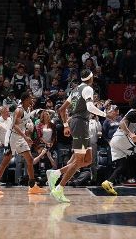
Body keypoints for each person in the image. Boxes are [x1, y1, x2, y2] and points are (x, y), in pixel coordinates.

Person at [46, 70, 106, 202]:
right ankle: (59, 189)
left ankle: (56, 173)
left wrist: (66, 125)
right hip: (80, 124)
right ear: (91, 78)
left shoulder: (74, 90)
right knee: (78, 161)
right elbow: (90, 107)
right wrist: (104, 114)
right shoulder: (88, 89)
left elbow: (61, 109)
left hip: (79, 123)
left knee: (88, 160)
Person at [100, 95, 136, 195]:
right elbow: (122, 123)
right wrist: (131, 134)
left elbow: (135, 124)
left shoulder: (133, 113)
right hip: (122, 138)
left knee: (122, 165)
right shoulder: (133, 112)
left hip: (115, 140)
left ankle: (108, 182)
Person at [0, 92, 46, 196]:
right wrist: (25, 136)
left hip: (20, 137)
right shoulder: (19, 110)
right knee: (5, 162)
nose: (32, 100)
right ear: (25, 100)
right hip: (12, 137)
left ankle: (32, 186)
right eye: (30, 99)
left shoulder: (28, 109)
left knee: (30, 160)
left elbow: (23, 124)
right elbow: (14, 125)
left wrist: (27, 133)